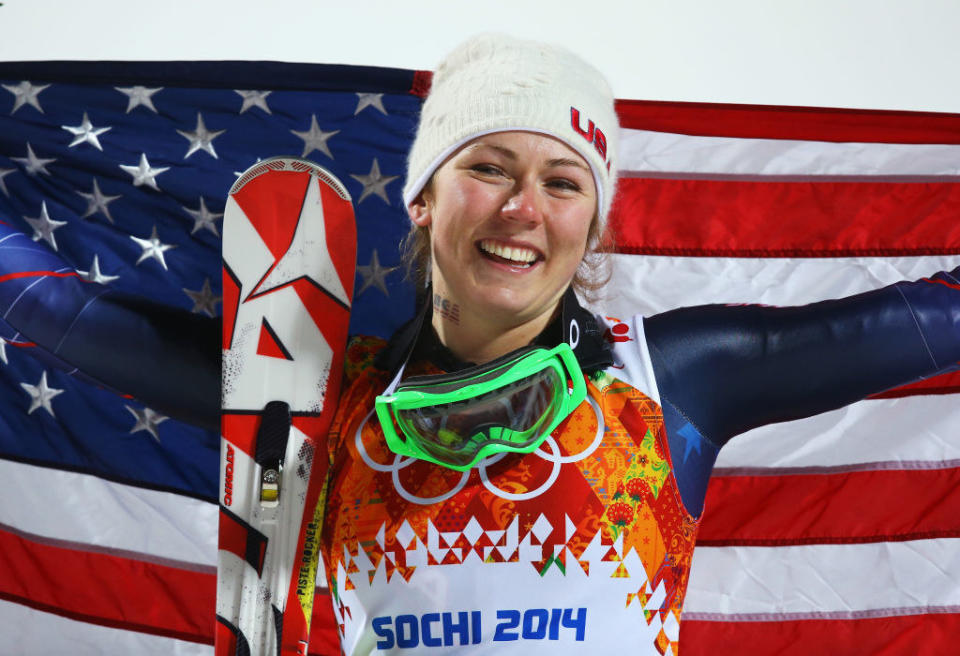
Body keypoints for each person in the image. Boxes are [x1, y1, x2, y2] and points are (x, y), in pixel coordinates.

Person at [315, 34, 959, 655]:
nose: (522, 209)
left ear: (592, 226)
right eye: (488, 169)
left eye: (562, 183)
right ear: (423, 195)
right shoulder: (324, 396)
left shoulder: (667, 380)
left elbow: (942, 317)